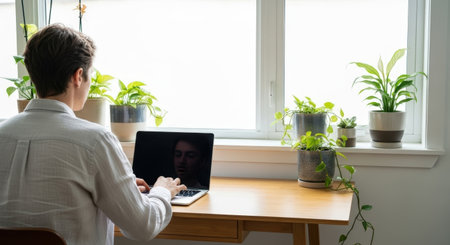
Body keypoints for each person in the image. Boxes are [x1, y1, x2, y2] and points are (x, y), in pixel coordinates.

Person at [0, 24, 186, 245]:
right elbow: (142, 227)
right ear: (78, 76)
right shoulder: (95, 140)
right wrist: (162, 191)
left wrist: (119, 188)